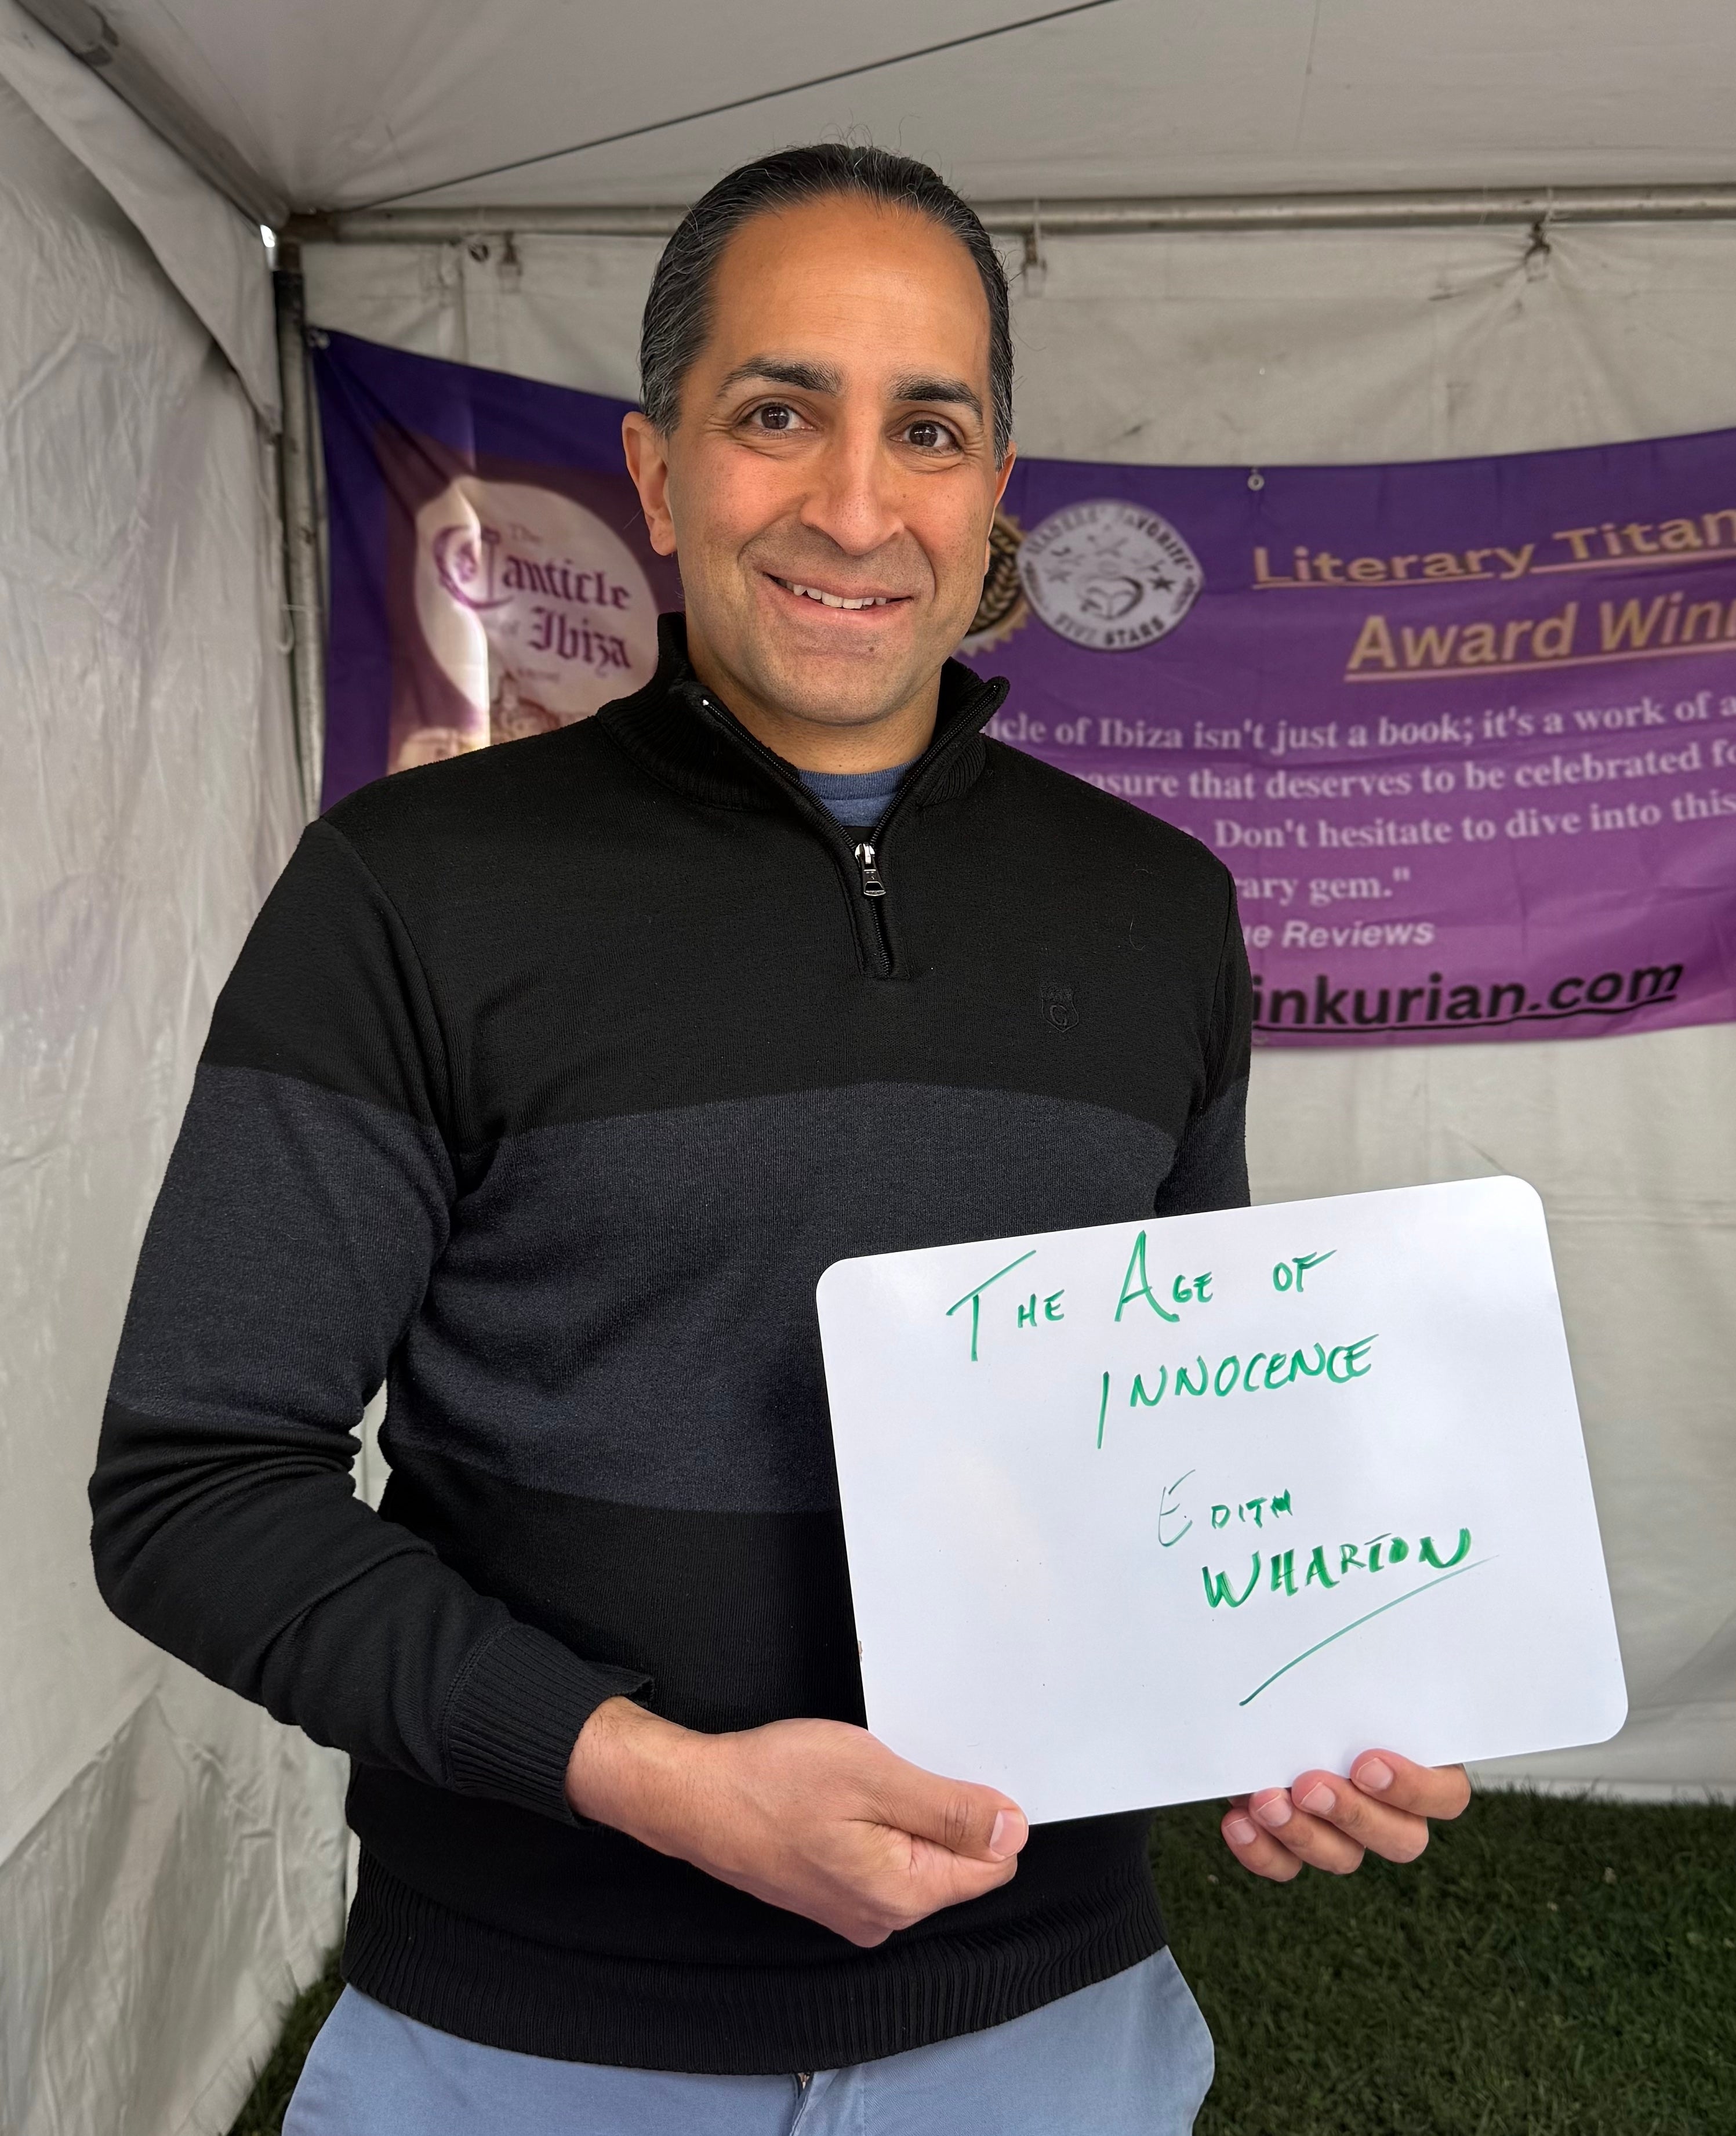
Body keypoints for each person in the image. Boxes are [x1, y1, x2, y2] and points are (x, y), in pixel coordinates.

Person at [90, 144, 1468, 2135]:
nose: (851, 500)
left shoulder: (1157, 907)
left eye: (927, 426)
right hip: (523, 2041)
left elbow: (1179, 1454)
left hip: (1052, 2030)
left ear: (997, 486)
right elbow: (197, 1487)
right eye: (774, 411)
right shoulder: (408, 891)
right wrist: (655, 1774)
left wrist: (1273, 1698)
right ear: (658, 476)